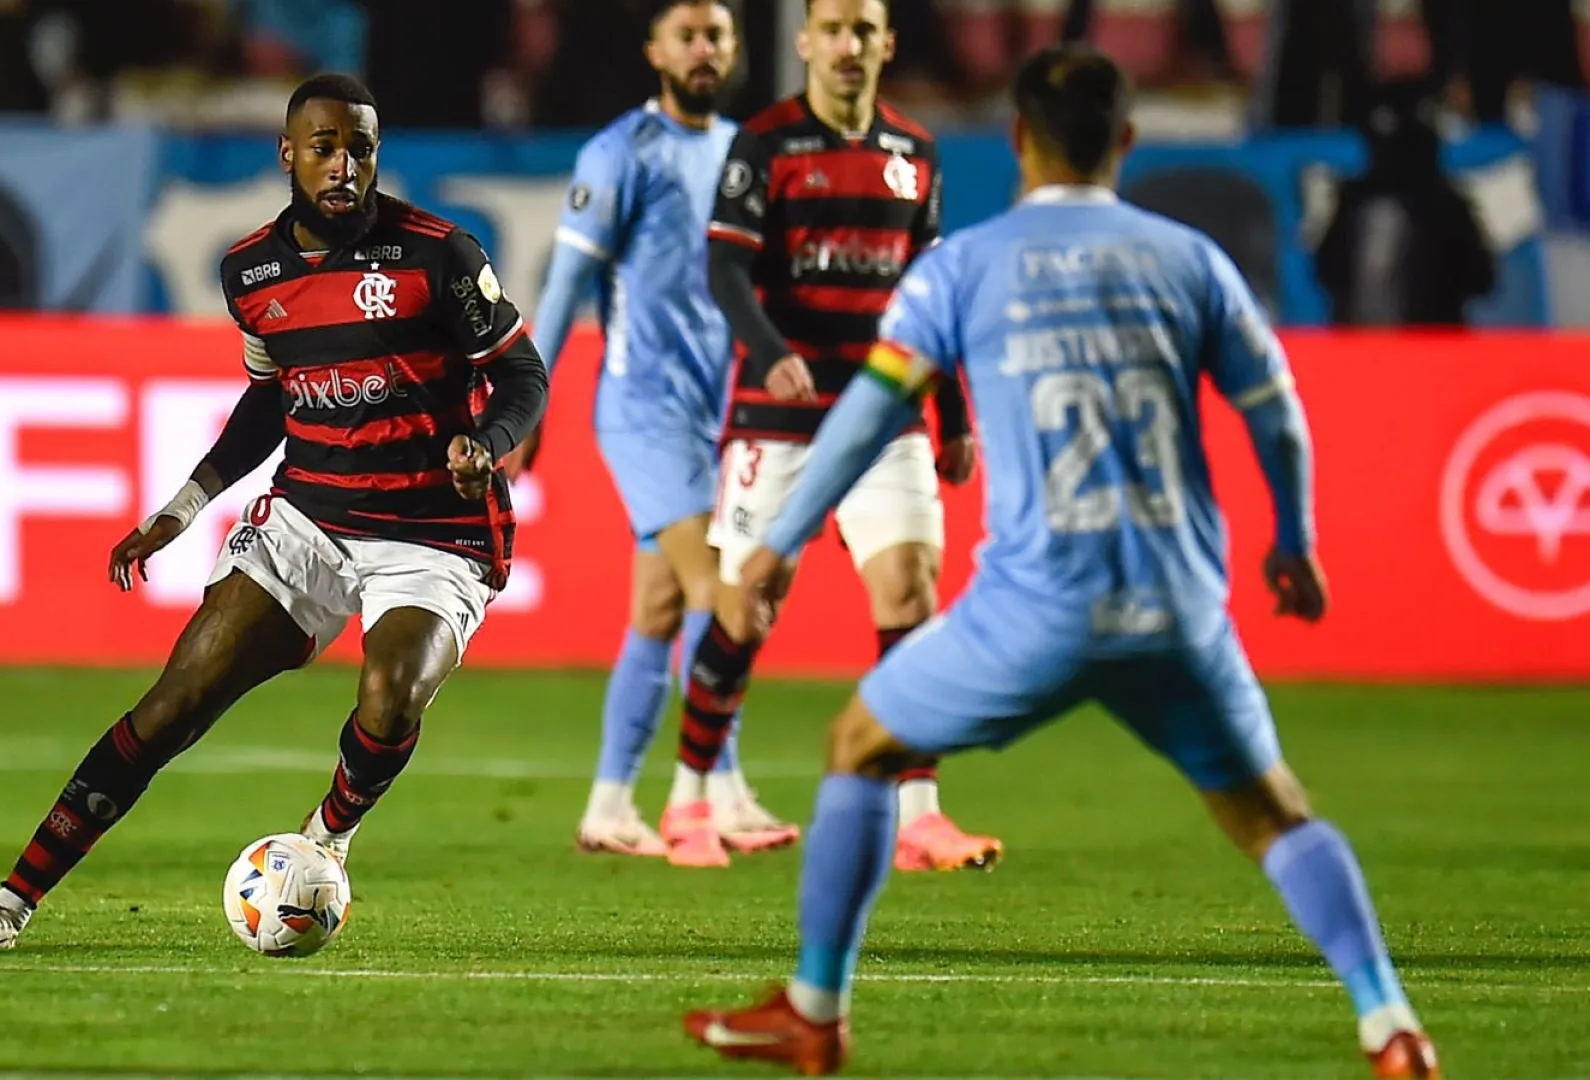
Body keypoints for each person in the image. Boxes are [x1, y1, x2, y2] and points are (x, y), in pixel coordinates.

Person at [682, 44, 1440, 1080]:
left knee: (859, 742)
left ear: (1017, 142)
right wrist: (1294, 543)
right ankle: (1388, 1021)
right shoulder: (1189, 261)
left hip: (1034, 608)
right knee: (1276, 815)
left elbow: (865, 420)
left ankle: (816, 1010)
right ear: (1126, 142)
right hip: (1176, 606)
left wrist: (778, 540)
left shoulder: (965, 265)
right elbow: (1280, 419)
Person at [0, 73, 549, 950]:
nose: (344, 165)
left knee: (393, 690)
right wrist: (182, 508)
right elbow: (268, 403)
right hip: (311, 518)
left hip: (433, 530)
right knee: (174, 704)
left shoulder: (438, 254)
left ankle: (326, 838)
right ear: (287, 154)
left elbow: (524, 371)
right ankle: (9, 904)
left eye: (360, 147)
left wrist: (489, 439)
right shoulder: (251, 272)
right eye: (325, 146)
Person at [677, 0, 1002, 872]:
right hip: (777, 416)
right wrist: (772, 351)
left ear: (886, 43)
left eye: (865, 29)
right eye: (835, 29)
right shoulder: (768, 145)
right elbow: (725, 267)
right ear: (806, 41)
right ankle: (689, 797)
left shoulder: (915, 154)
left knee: (911, 593)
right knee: (748, 605)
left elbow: (932, 297)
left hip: (884, 415)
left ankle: (920, 815)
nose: (849, 45)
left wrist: (955, 414)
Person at [509, 0, 801, 863]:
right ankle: (710, 789)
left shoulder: (744, 152)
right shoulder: (619, 153)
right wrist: (530, 402)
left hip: (722, 415)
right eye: (688, 35)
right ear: (655, 51)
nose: (705, 50)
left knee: (661, 605)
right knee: (720, 589)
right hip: (643, 410)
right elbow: (566, 287)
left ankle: (609, 804)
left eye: (718, 35)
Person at [1315, 79, 1495, 327]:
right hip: (1361, 354)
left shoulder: (1447, 206)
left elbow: (1481, 279)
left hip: (1431, 351)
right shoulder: (1353, 200)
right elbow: (1325, 271)